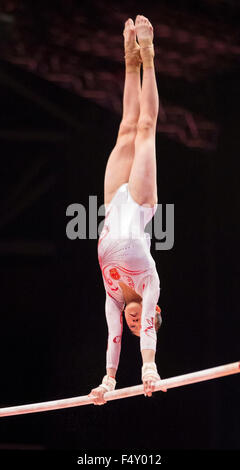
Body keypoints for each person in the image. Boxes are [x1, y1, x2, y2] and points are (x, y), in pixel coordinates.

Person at [89, 15, 166, 405]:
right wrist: (148, 367)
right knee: (146, 127)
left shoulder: (114, 298)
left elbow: (112, 338)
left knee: (125, 127)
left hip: (110, 201)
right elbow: (147, 333)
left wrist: (109, 380)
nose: (136, 323)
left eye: (133, 326)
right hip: (138, 203)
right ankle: (149, 56)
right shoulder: (150, 286)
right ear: (153, 314)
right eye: (142, 322)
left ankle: (129, 59)